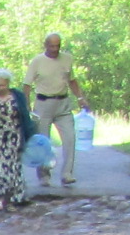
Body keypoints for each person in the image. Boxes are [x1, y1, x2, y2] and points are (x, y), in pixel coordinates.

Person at [24, 32, 88, 189]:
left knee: (70, 138)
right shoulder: (37, 61)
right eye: (51, 46)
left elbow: (72, 80)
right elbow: (27, 85)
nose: (54, 49)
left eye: (57, 46)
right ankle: (44, 175)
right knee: (43, 142)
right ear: (45, 45)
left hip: (63, 103)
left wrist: (80, 98)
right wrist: (26, 106)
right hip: (43, 104)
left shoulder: (67, 59)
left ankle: (67, 174)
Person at [0, 69, 35, 211]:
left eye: (3, 85)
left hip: (14, 138)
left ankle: (12, 199)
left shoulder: (18, 96)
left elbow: (25, 117)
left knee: (14, 170)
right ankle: (0, 199)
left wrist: (32, 136)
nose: (0, 88)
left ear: (8, 83)